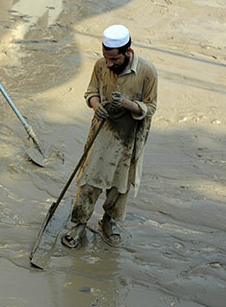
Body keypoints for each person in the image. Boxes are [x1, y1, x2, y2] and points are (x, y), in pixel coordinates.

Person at [61, 24, 158, 248]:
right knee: (89, 181)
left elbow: (151, 108)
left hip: (129, 137)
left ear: (127, 52)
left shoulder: (147, 72)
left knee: (120, 185)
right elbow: (91, 93)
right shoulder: (100, 65)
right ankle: (79, 223)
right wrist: (96, 106)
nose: (109, 63)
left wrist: (128, 104)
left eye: (114, 59)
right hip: (102, 131)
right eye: (106, 58)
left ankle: (109, 221)